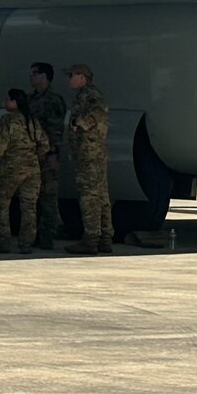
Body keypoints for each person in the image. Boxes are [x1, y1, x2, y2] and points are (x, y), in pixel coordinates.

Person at [0, 88, 51, 253]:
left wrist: (1, 157)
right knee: (29, 206)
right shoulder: (31, 120)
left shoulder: (8, 120)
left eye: (8, 99)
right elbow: (44, 143)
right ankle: (26, 242)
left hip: (12, 166)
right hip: (32, 168)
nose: (5, 102)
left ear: (15, 102)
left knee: (2, 204)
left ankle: (4, 241)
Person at [64, 64, 113, 254]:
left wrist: (80, 123)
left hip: (89, 154)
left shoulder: (90, 95)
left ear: (82, 77)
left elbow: (99, 111)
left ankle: (91, 239)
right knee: (101, 195)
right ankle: (105, 238)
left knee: (89, 196)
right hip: (92, 153)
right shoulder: (84, 94)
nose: (69, 79)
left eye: (71, 75)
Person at [27, 63, 68, 248]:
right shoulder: (30, 99)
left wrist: (53, 153)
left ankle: (47, 236)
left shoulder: (53, 100)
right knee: (32, 197)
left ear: (44, 76)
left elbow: (56, 129)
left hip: (46, 154)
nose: (32, 77)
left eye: (35, 74)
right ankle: (34, 234)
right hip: (31, 155)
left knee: (48, 196)